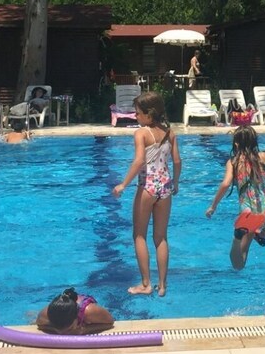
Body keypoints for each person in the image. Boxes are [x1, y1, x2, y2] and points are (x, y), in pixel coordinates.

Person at [112, 91, 181, 296]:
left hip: (147, 187)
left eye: (138, 113)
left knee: (139, 235)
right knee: (161, 238)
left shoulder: (141, 133)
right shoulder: (170, 133)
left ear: (149, 115)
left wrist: (123, 184)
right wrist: (176, 183)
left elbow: (139, 161)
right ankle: (163, 285)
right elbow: (177, 161)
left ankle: (146, 284)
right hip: (165, 187)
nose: (135, 116)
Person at [205, 124, 265, 270]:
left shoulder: (233, 162)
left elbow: (225, 184)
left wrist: (213, 206)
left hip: (247, 210)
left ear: (236, 144)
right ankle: (262, 232)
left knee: (238, 264)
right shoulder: (263, 156)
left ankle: (238, 238)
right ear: (255, 141)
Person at [35, 287, 114, 335]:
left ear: (76, 318)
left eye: (69, 329)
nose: (62, 334)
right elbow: (39, 325)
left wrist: (85, 330)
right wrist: (54, 329)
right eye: (57, 328)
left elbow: (110, 323)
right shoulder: (45, 313)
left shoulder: (89, 312)